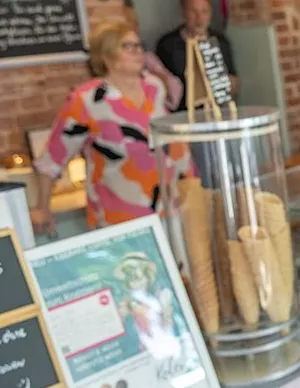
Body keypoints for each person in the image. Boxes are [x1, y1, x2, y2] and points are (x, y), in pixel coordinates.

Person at [33, 21, 192, 235]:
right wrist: (42, 208)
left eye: (139, 45)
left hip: (174, 208)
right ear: (106, 57)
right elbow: (51, 160)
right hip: (120, 217)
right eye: (128, 47)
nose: (138, 52)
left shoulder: (154, 86)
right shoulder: (87, 100)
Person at [153, 0, 240, 111]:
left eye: (205, 11)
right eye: (193, 11)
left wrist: (227, 84)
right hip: (183, 114)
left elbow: (233, 78)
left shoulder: (220, 41)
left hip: (218, 109)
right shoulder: (167, 44)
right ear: (183, 12)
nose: (199, 18)